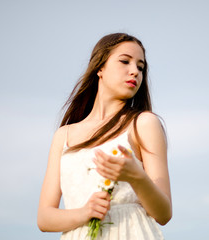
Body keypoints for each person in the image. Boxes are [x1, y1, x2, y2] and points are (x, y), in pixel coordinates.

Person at [37, 33, 172, 240]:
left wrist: (136, 176)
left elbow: (164, 213)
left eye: (140, 67)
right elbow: (44, 218)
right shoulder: (64, 135)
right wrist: (84, 213)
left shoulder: (143, 123)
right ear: (100, 67)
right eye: (125, 61)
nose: (134, 71)